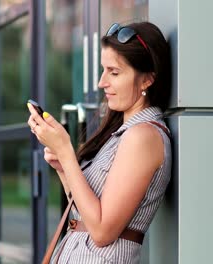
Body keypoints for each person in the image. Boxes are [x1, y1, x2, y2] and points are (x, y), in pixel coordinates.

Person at [27, 21, 172, 264]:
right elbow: (84, 212)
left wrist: (66, 151)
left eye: (114, 72)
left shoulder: (144, 137)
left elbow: (103, 231)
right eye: (103, 70)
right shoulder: (121, 133)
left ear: (147, 80)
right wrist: (64, 166)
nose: (101, 82)